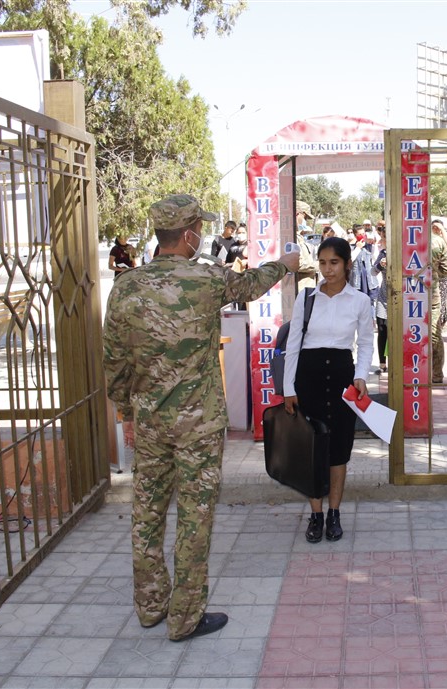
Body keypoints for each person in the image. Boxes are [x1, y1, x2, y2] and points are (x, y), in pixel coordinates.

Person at [103, 194, 300, 641]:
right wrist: (285, 263)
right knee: (194, 517)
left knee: (147, 513)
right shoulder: (206, 278)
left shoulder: (127, 286)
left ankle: (151, 606)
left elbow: (114, 360)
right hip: (198, 426)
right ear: (189, 234)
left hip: (151, 423)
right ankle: (185, 617)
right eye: (199, 229)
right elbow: (250, 285)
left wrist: (125, 412)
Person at [282, 237, 374, 544]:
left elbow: (365, 344)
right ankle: (316, 514)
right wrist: (288, 387)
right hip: (308, 376)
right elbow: (293, 343)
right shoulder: (306, 298)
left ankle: (334, 513)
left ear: (347, 264)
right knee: (311, 448)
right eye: (322, 263)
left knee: (338, 450)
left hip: (341, 376)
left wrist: (361, 376)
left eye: (334, 263)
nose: (327, 269)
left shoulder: (360, 301)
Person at [429, 219, 447, 383]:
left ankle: (411, 371)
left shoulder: (405, 239)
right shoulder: (438, 241)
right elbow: (446, 271)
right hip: (432, 291)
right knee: (434, 332)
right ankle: (436, 373)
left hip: (407, 294)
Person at [372, 227, 389, 374]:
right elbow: (372, 272)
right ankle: (382, 363)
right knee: (382, 330)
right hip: (384, 297)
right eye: (383, 237)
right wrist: (379, 265)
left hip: (401, 297)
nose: (384, 240)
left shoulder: (405, 254)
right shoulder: (383, 254)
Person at [294, 201, 318, 293]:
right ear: (298, 214)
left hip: (306, 288)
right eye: (305, 217)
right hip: (299, 289)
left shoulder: (298, 237)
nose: (306, 221)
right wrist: (319, 265)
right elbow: (297, 264)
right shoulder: (291, 237)